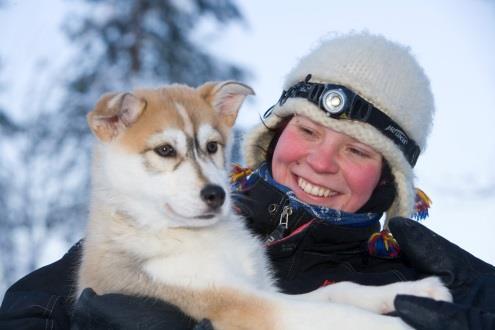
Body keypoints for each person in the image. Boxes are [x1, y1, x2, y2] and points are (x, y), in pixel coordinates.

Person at [1, 32, 494, 330]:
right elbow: (25, 311)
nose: (320, 162)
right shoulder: (155, 220)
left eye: (356, 149)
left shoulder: (419, 284)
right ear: (275, 134)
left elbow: (269, 312)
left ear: (389, 180)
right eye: (306, 130)